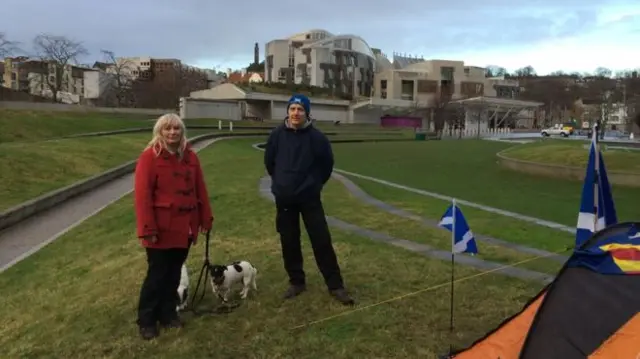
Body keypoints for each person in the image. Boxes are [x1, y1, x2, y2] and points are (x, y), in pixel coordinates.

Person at [263, 94, 355, 306]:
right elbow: (270, 162)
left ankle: (335, 285)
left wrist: (314, 185)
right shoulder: (277, 135)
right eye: (293, 109)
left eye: (300, 109)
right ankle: (297, 282)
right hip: (285, 199)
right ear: (288, 111)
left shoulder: (317, 138)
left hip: (309, 198)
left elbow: (326, 165)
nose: (296, 113)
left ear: (307, 113)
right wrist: (281, 183)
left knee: (321, 240)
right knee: (289, 241)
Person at [133, 113, 214, 340]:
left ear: (182, 131)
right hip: (160, 229)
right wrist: (147, 228)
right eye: (167, 129)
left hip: (184, 227)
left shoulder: (190, 157)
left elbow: (200, 189)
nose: (172, 133)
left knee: (174, 274)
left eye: (176, 129)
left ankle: (167, 314)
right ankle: (147, 319)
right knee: (157, 275)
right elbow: (143, 196)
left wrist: (206, 217)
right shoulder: (149, 157)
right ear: (160, 131)